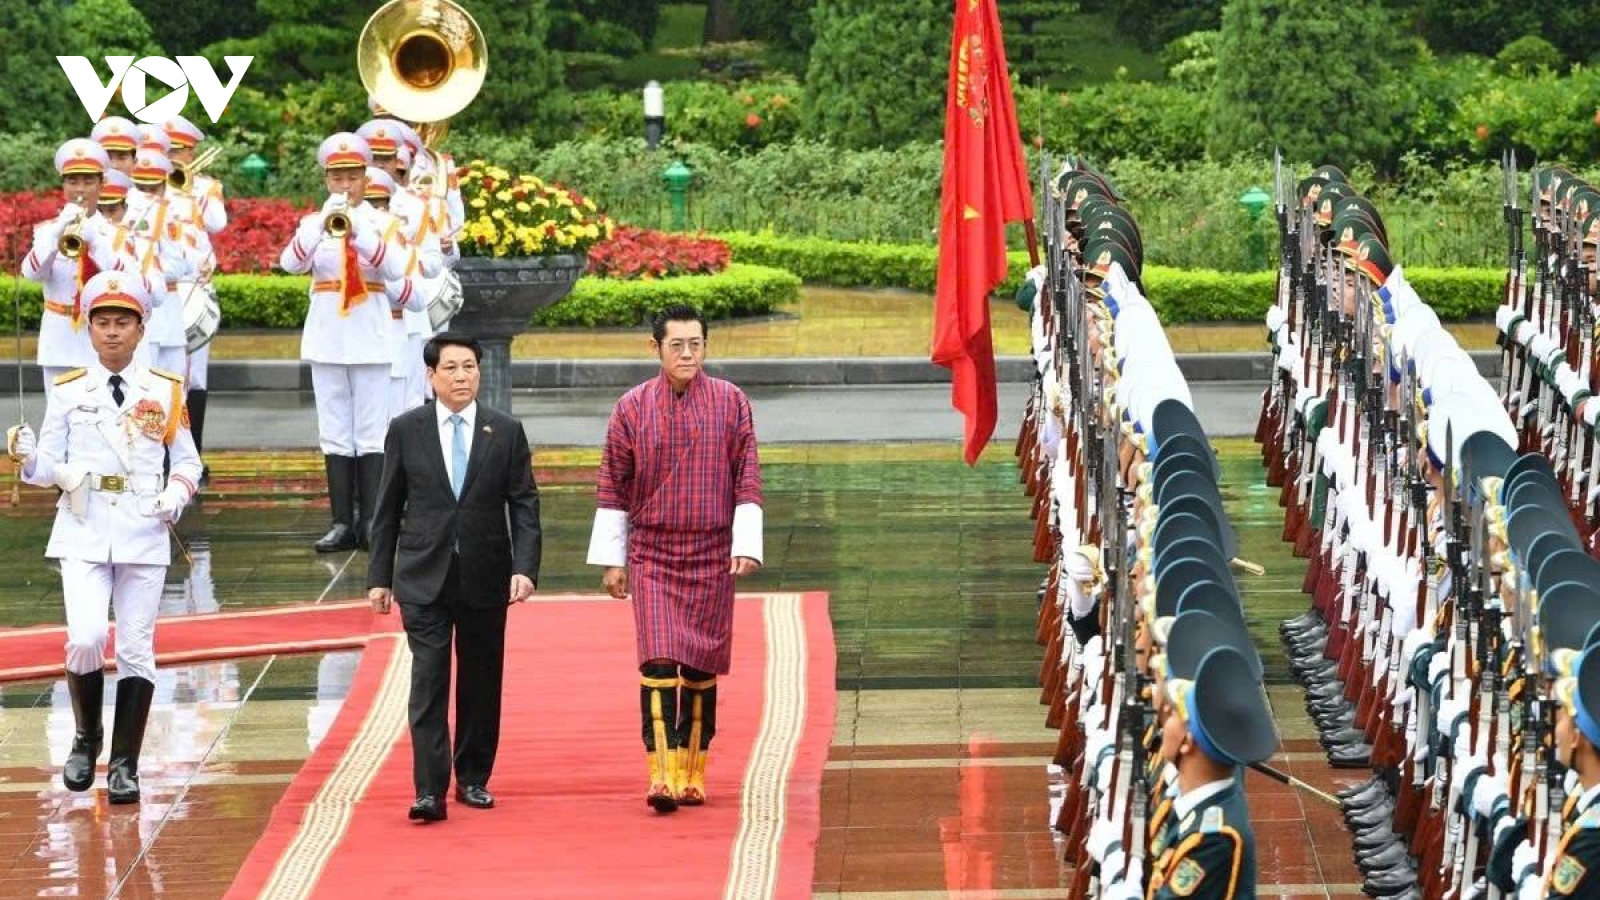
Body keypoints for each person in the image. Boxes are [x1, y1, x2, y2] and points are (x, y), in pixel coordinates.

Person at [6, 270, 201, 803]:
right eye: (102, 323)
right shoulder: (69, 391)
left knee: (137, 649)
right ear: (88, 329)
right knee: (88, 636)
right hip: (84, 524)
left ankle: (124, 763)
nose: (112, 332)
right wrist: (27, 457)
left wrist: (175, 495)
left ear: (141, 330)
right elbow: (48, 466)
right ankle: (85, 735)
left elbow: (187, 461)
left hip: (142, 525)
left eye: (123, 323)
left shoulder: (164, 389)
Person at [586, 304, 764, 813]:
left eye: (696, 345)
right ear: (656, 348)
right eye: (677, 345)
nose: (687, 354)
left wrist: (745, 543)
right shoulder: (631, 407)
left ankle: (693, 770)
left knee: (701, 665)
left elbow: (747, 474)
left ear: (706, 347)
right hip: (653, 552)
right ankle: (661, 773)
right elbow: (612, 484)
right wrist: (613, 560)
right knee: (659, 660)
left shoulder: (732, 403)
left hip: (710, 550)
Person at [366, 332, 541, 823]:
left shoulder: (503, 430)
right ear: (431, 376)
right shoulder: (407, 429)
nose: (462, 376)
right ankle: (429, 789)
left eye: (469, 367)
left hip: (486, 575)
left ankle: (473, 778)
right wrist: (379, 576)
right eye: (451, 368)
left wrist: (525, 567)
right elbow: (387, 508)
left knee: (481, 682)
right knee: (428, 681)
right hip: (423, 575)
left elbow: (524, 503)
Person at [277, 132, 412, 552]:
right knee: (335, 432)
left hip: (370, 335)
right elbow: (290, 263)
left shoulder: (382, 223)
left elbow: (393, 268)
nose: (344, 186)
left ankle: (373, 521)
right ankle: (341, 522)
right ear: (327, 180)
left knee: (372, 432)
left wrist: (359, 232)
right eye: (337, 177)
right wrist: (323, 225)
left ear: (365, 179)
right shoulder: (312, 224)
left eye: (352, 177)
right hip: (327, 338)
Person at [23, 138, 136, 393]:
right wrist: (56, 234)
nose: (80, 189)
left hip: (102, 338)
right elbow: (31, 273)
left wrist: (95, 241)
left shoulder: (115, 234)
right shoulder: (47, 231)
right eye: (72, 181)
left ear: (101, 184)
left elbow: (129, 281)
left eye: (88, 181)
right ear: (63, 185)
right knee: (57, 420)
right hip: (58, 339)